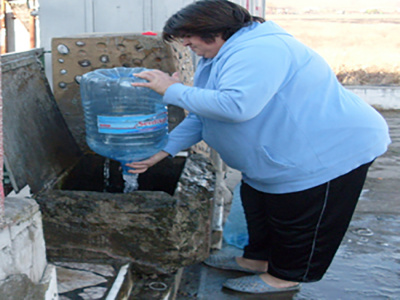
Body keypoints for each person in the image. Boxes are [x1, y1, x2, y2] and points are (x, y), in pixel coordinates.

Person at [127, 0, 391, 295]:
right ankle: (255, 260)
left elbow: (236, 106)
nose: (186, 44)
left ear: (214, 31)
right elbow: (205, 113)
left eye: (189, 36)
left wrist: (172, 90)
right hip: (279, 155)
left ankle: (284, 277)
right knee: (259, 204)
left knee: (300, 216)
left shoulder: (261, 51)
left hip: (328, 149)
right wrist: (163, 150)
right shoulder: (219, 54)